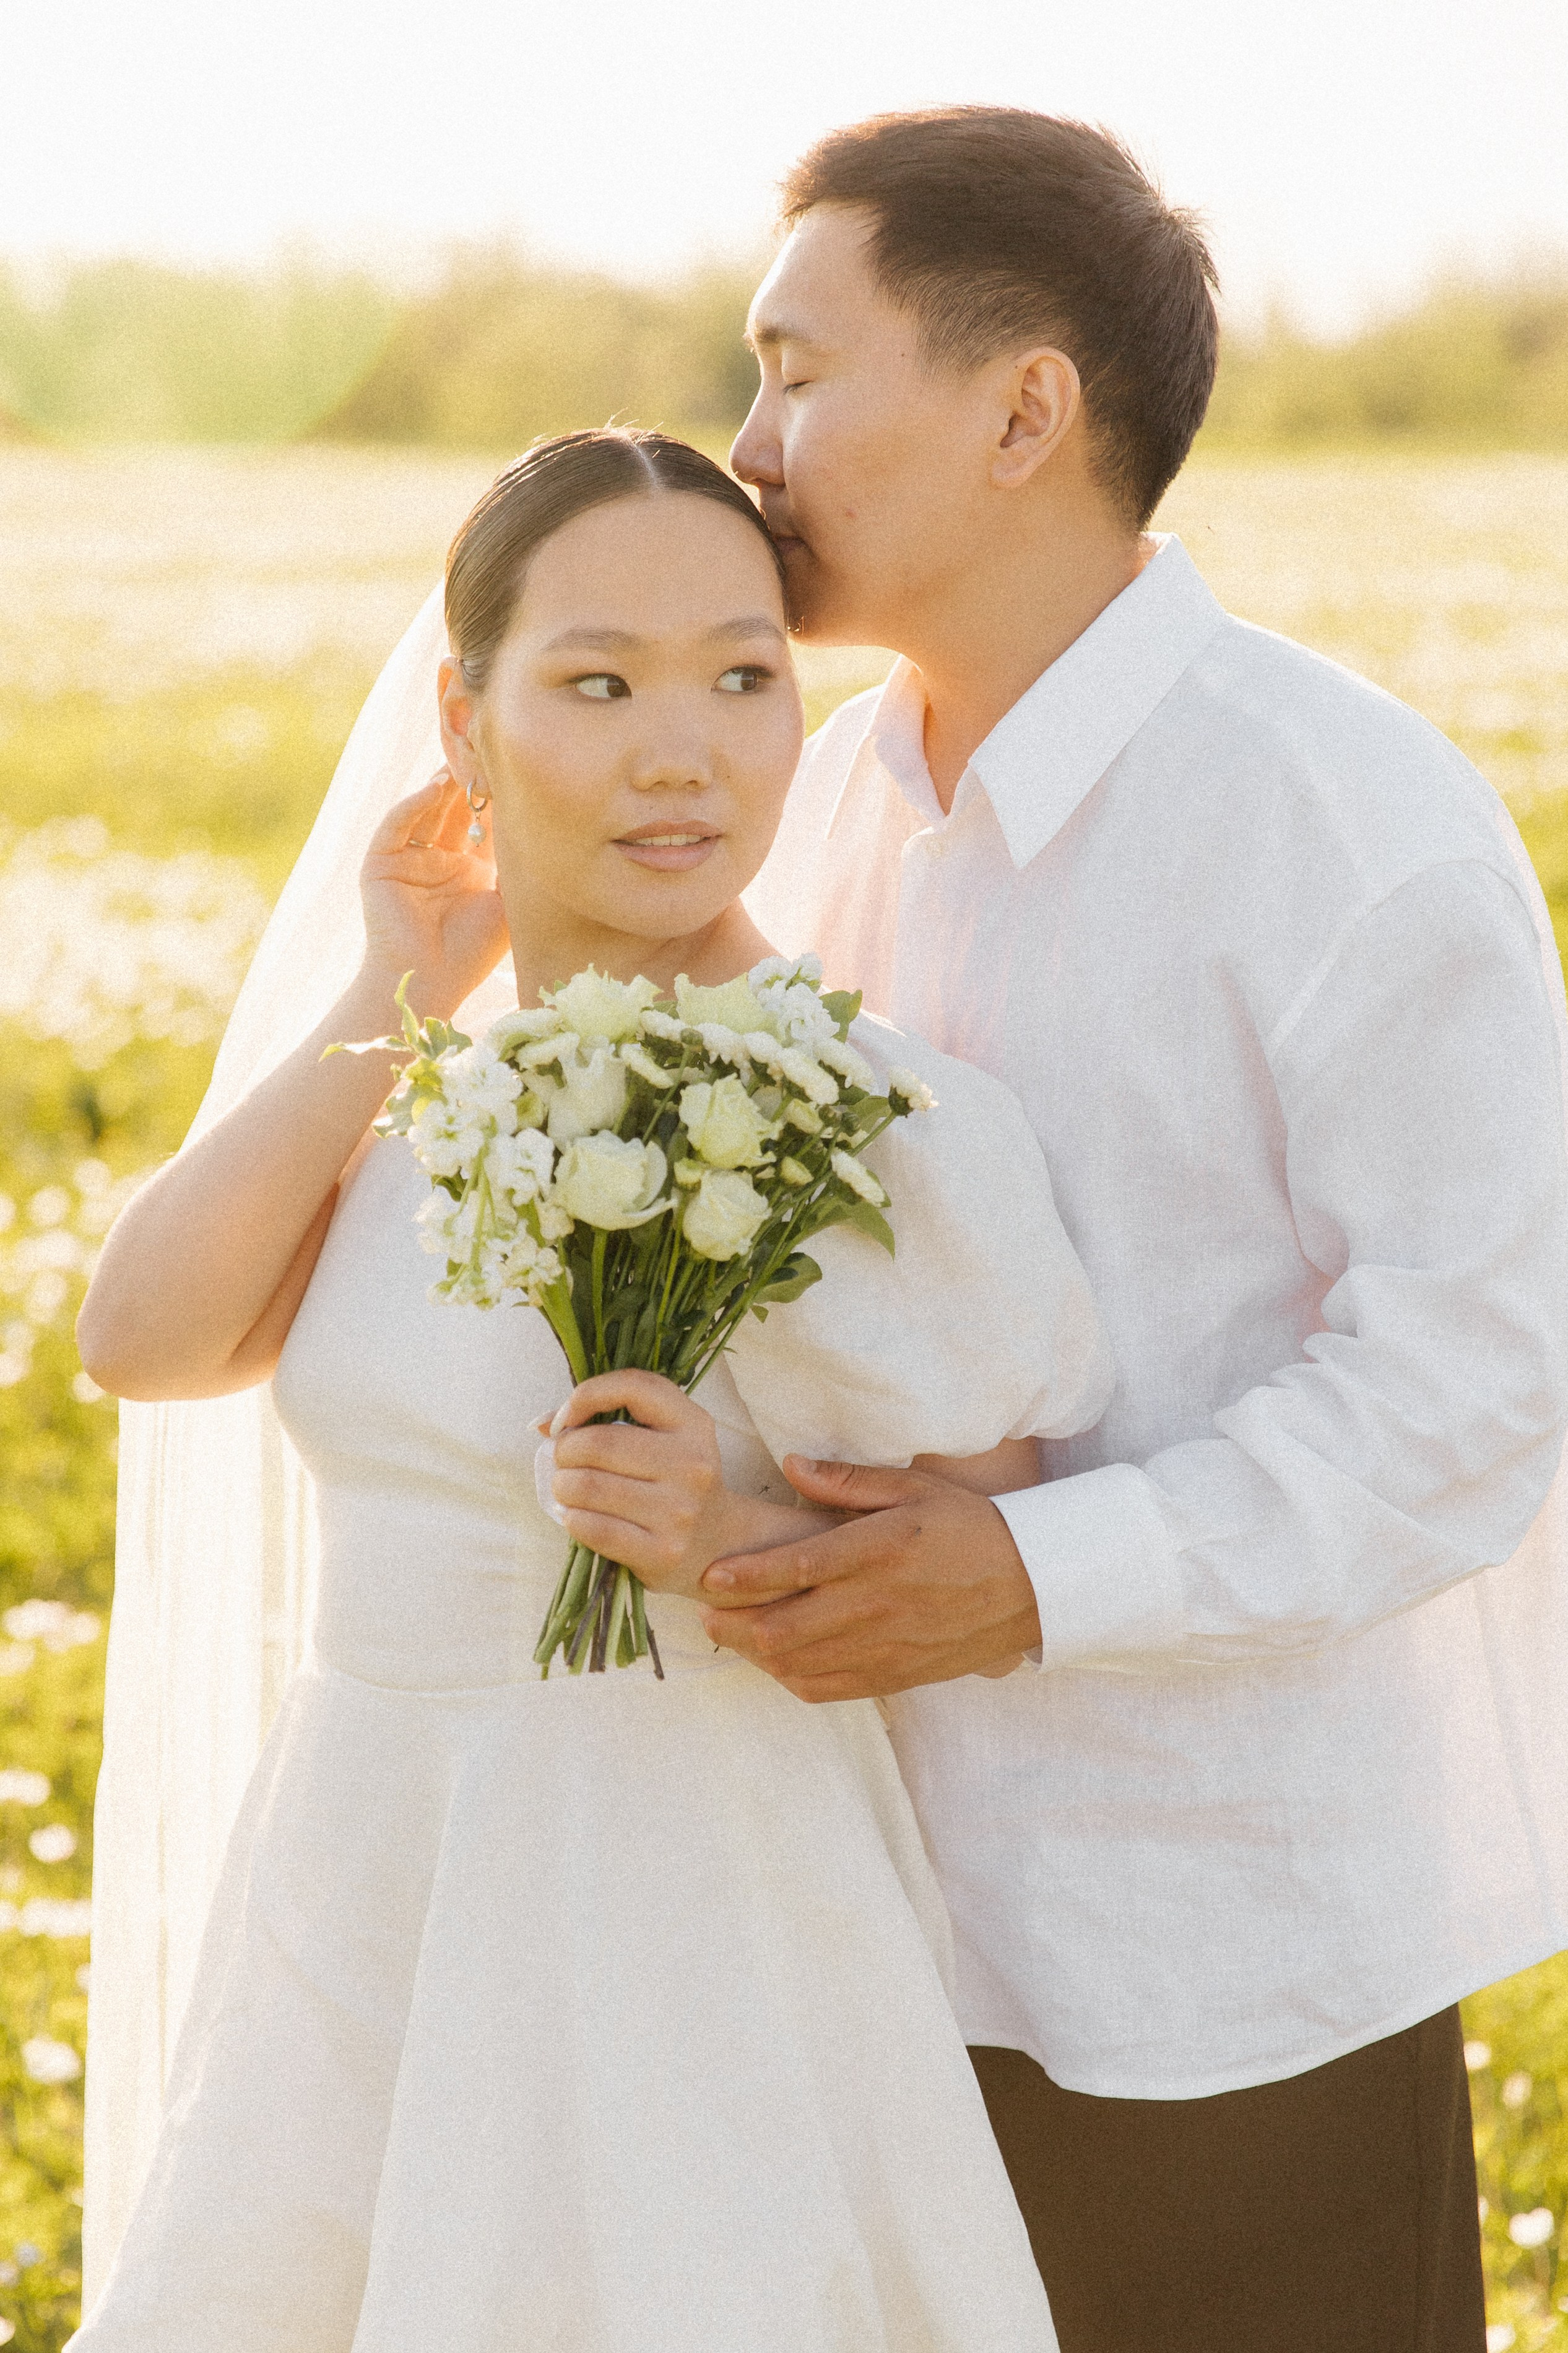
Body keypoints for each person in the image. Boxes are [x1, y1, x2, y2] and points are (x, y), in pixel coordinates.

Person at [70, 427, 1111, 2351]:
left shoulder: (862, 1120)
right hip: (369, 1896)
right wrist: (395, 980)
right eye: (598, 682)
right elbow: (141, 1339)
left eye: (742, 676)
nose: (682, 750)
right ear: (464, 725)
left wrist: (732, 1537)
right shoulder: (410, 1089)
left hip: (688, 1917)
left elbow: (999, 1545)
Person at [690, 107, 1568, 2351]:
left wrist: (1034, 1579)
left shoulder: (1346, 824)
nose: (748, 442)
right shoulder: (791, 822)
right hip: (840, 1932)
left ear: (1024, 408)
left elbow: (1480, 1385)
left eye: (798, 369)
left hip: (1222, 1968)